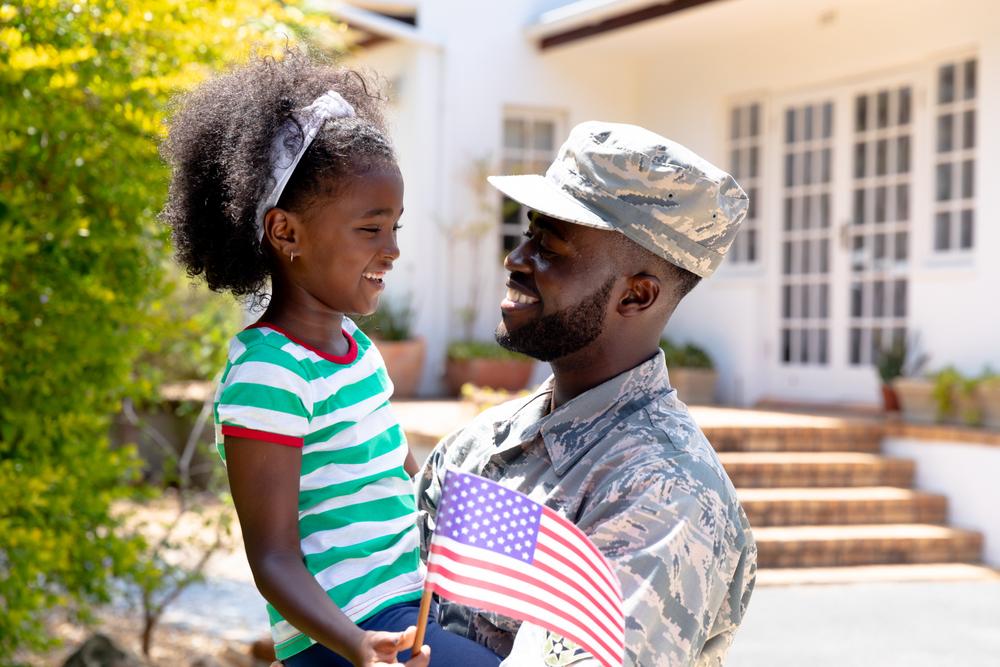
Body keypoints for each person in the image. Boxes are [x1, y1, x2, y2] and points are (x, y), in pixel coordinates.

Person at [160, 51, 501, 667]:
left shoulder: (358, 353)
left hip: (406, 609)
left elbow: (394, 477)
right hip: (344, 637)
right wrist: (355, 645)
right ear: (285, 233)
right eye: (370, 229)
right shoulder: (269, 372)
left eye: (395, 227)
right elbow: (272, 559)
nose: (392, 250)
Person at [416, 121, 757, 666]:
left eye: (550, 246)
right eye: (529, 232)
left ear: (637, 295)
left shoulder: (664, 491)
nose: (517, 258)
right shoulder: (476, 446)